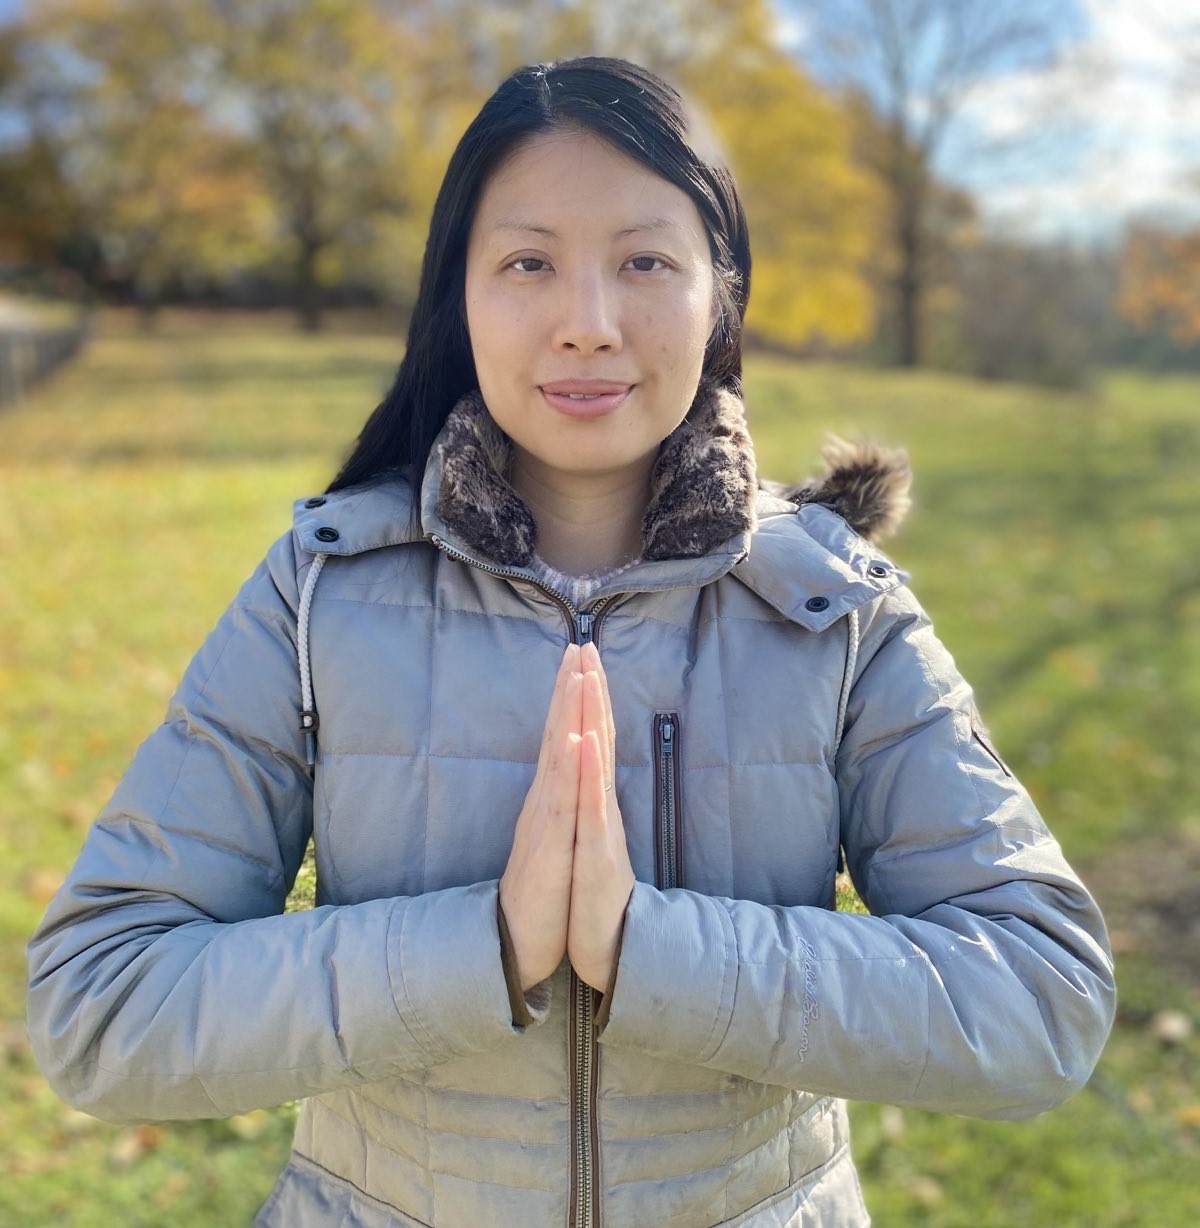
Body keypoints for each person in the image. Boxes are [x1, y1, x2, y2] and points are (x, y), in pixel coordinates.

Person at [27, 56, 1115, 1228]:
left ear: (720, 297)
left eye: (645, 262)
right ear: (460, 296)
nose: (588, 325)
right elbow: (102, 1006)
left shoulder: (837, 609)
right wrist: (483, 946)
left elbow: (1041, 1000)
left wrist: (649, 949)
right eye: (528, 263)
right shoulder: (319, 592)